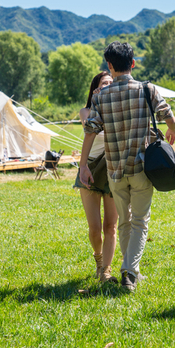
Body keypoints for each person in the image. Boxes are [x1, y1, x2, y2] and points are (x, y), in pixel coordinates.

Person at [79, 41, 175, 292]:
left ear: (110, 66)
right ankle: (129, 271)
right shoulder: (147, 89)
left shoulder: (101, 96)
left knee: (124, 221)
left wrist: (83, 166)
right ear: (133, 63)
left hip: (114, 170)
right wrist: (172, 129)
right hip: (142, 167)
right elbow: (168, 114)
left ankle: (131, 269)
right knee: (140, 222)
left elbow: (89, 132)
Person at [74, 71, 118, 283]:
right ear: (95, 88)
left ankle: (106, 271)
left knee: (111, 226)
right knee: (95, 228)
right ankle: (99, 260)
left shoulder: (119, 109)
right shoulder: (86, 111)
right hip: (90, 168)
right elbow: (90, 127)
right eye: (104, 83)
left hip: (112, 168)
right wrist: (99, 102)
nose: (108, 86)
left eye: (112, 83)